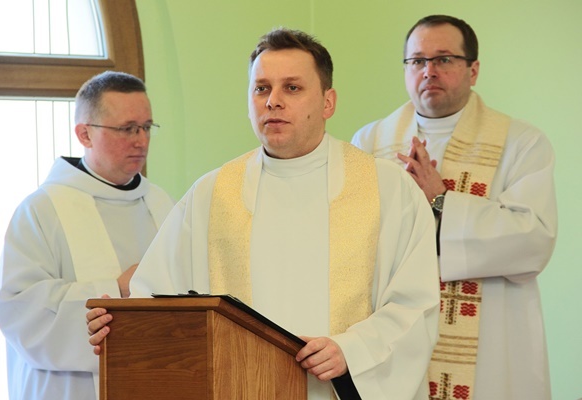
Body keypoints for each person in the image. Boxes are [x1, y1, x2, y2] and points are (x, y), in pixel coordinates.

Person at [87, 28, 440, 399]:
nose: (273, 101)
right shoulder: (212, 194)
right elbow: (158, 300)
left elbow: (415, 306)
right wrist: (118, 326)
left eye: (292, 87)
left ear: (328, 102)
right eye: (261, 88)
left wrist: (351, 350)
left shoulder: (388, 189)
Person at [351, 15, 557, 400]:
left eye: (443, 59)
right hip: (398, 334)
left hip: (489, 340)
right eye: (417, 61)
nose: (428, 71)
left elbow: (534, 240)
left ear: (473, 70)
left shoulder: (521, 143)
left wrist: (441, 199)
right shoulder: (370, 142)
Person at [0, 71, 175, 400]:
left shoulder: (162, 204)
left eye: (147, 127)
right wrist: (116, 290)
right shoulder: (42, 210)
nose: (141, 141)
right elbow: (20, 310)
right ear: (85, 134)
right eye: (127, 128)